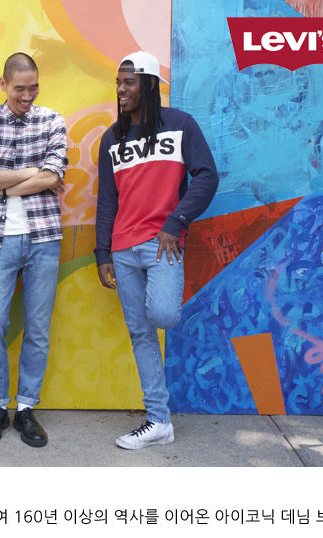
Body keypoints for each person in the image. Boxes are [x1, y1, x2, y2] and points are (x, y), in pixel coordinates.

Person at [95, 51, 218, 449]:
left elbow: (207, 176)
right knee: (141, 334)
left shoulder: (180, 125)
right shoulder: (112, 138)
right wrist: (102, 253)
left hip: (162, 242)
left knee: (163, 314)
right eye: (118, 82)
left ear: (149, 84)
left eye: (128, 82)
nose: (121, 89)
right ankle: (159, 421)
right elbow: (107, 200)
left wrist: (176, 221)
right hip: (123, 248)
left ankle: (159, 419)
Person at [0, 53, 67, 447]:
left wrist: (4, 184)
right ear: (4, 84)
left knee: (37, 328)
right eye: (19, 88)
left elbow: (53, 176)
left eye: (34, 88)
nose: (27, 96)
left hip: (44, 237)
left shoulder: (53, 121)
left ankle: (25, 408)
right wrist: (32, 173)